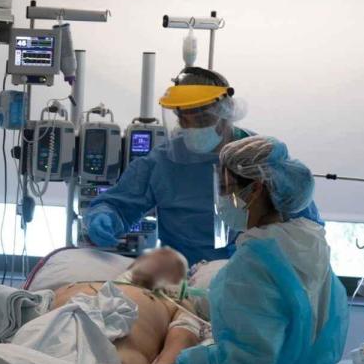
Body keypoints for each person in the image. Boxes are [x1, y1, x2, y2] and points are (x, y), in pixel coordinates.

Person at [175, 135, 348, 364]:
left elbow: (245, 362)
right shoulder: (309, 246)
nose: (221, 199)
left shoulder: (254, 261)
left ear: (254, 190)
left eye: (225, 188)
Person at [82, 67, 322, 264]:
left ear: (226, 113)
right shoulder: (163, 162)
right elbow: (119, 203)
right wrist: (105, 217)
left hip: (251, 274)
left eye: (203, 119)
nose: (193, 128)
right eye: (184, 120)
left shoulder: (261, 157)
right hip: (183, 277)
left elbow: (306, 226)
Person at [52, 247, 208, 364]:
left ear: (179, 283)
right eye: (155, 256)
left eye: (171, 264)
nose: (161, 259)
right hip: (47, 352)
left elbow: (182, 341)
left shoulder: (176, 302)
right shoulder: (75, 285)